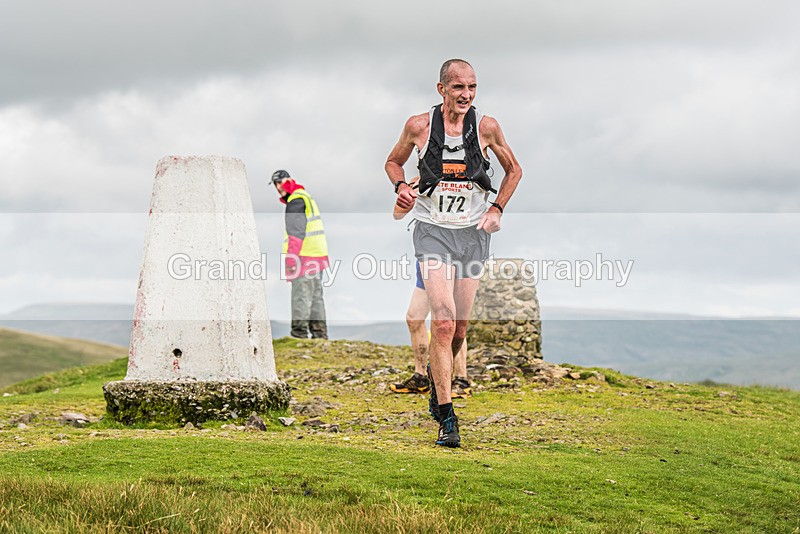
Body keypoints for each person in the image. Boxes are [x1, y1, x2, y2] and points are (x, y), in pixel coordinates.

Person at [385, 59, 522, 447]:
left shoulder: (487, 127)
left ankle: (437, 376)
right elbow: (393, 162)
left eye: (472, 87)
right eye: (459, 87)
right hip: (432, 232)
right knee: (442, 321)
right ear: (441, 88)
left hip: (473, 235)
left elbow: (514, 170)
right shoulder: (419, 126)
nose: (466, 95)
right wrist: (401, 187)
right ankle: (446, 416)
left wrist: (497, 209)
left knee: (459, 329)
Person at [390, 178, 471, 398]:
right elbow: (397, 214)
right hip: (427, 257)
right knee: (414, 317)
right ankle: (421, 377)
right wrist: (407, 195)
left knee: (450, 320)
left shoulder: (462, 178)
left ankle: (460, 379)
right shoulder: (419, 181)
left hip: (455, 256)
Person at [271, 169, 329, 339]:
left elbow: (295, 234)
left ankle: (299, 334)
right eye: (275, 184)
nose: (278, 187)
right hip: (318, 255)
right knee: (316, 297)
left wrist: (291, 261)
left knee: (301, 296)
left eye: (280, 182)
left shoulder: (295, 201)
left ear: (289, 180)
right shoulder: (305, 196)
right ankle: (320, 335)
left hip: (304, 256)